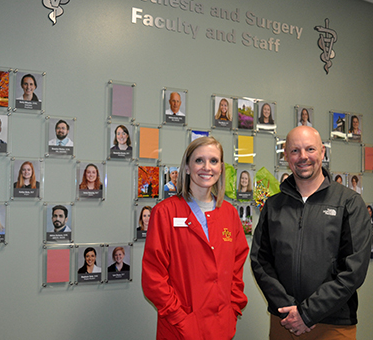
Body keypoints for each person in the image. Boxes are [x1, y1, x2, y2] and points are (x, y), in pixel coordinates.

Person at [251, 126, 371, 339]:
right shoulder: (273, 205)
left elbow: (354, 270)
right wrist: (287, 308)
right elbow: (261, 262)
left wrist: (307, 313)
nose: (303, 157)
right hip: (284, 320)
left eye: (310, 149)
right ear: (286, 156)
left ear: (322, 152)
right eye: (295, 150)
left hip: (333, 323)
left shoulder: (349, 203)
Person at [142, 136, 249, 339]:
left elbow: (236, 269)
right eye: (199, 160)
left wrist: (233, 309)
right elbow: (153, 276)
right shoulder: (165, 212)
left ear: (221, 168)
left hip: (221, 327)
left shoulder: (230, 214)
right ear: (188, 167)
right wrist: (180, 319)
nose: (207, 167)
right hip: (180, 328)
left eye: (214, 161)